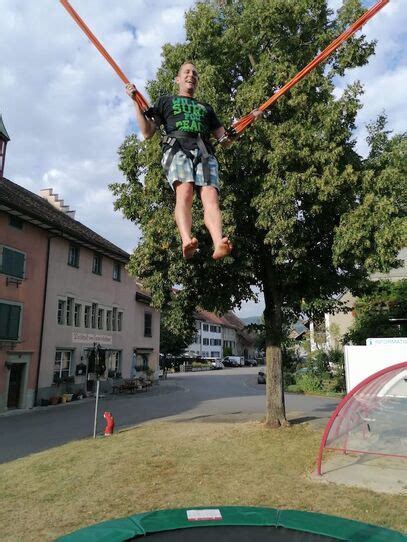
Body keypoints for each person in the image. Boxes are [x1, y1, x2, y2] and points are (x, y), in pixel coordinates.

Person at [126, 62, 261, 260]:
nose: (191, 75)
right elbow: (147, 132)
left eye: (195, 73)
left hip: (204, 152)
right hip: (178, 148)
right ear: (178, 79)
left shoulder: (206, 108)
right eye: (186, 72)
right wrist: (135, 102)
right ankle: (186, 240)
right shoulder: (166, 101)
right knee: (185, 191)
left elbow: (224, 140)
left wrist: (250, 119)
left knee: (211, 198)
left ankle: (218, 243)